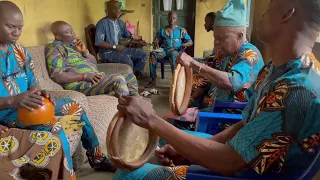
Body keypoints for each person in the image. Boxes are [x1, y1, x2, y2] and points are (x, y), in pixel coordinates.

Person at [114, 0, 320, 178]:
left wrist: (151, 119)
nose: (263, 12)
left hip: (245, 173)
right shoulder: (275, 68)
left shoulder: (297, 88)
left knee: (127, 174)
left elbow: (229, 162)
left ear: (287, 14)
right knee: (168, 149)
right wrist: (188, 153)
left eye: (270, 5)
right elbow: (245, 125)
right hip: (239, 156)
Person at [0, 2, 115, 179]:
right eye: (11, 27)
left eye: (20, 28)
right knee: (55, 127)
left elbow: (32, 82)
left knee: (74, 107)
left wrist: (40, 93)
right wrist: (12, 100)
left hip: (30, 106)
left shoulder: (20, 52)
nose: (17, 32)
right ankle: (68, 176)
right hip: (7, 113)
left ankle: (96, 156)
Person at [163, 2, 264, 131]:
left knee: (169, 128)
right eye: (215, 38)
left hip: (226, 118)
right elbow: (208, 72)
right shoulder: (225, 53)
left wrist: (193, 63)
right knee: (168, 120)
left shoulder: (250, 56)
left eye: (221, 39)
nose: (217, 43)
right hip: (210, 107)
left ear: (239, 36)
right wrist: (191, 100)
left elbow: (230, 82)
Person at [45, 21, 139, 97]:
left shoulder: (73, 46)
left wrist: (85, 51)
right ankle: (130, 109)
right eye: (67, 32)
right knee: (118, 79)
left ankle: (137, 101)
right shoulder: (55, 49)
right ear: (58, 37)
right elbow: (57, 76)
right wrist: (84, 76)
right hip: (80, 86)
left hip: (94, 80)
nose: (72, 33)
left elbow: (94, 63)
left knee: (130, 77)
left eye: (71, 29)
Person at [95, 0, 147, 76]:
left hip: (119, 50)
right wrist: (115, 46)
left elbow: (128, 35)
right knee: (128, 62)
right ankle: (131, 81)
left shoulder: (120, 23)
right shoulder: (102, 23)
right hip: (107, 53)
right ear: (107, 11)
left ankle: (134, 77)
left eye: (118, 8)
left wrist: (137, 40)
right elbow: (99, 42)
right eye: (114, 9)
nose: (118, 11)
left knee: (143, 54)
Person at [145, 11, 193, 88]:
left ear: (176, 19)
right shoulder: (162, 31)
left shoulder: (182, 30)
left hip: (175, 51)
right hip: (164, 51)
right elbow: (156, 41)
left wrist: (183, 44)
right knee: (152, 54)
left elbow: (190, 42)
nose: (171, 20)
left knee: (174, 55)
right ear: (167, 18)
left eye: (174, 18)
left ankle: (175, 81)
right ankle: (153, 79)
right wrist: (155, 43)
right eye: (170, 17)